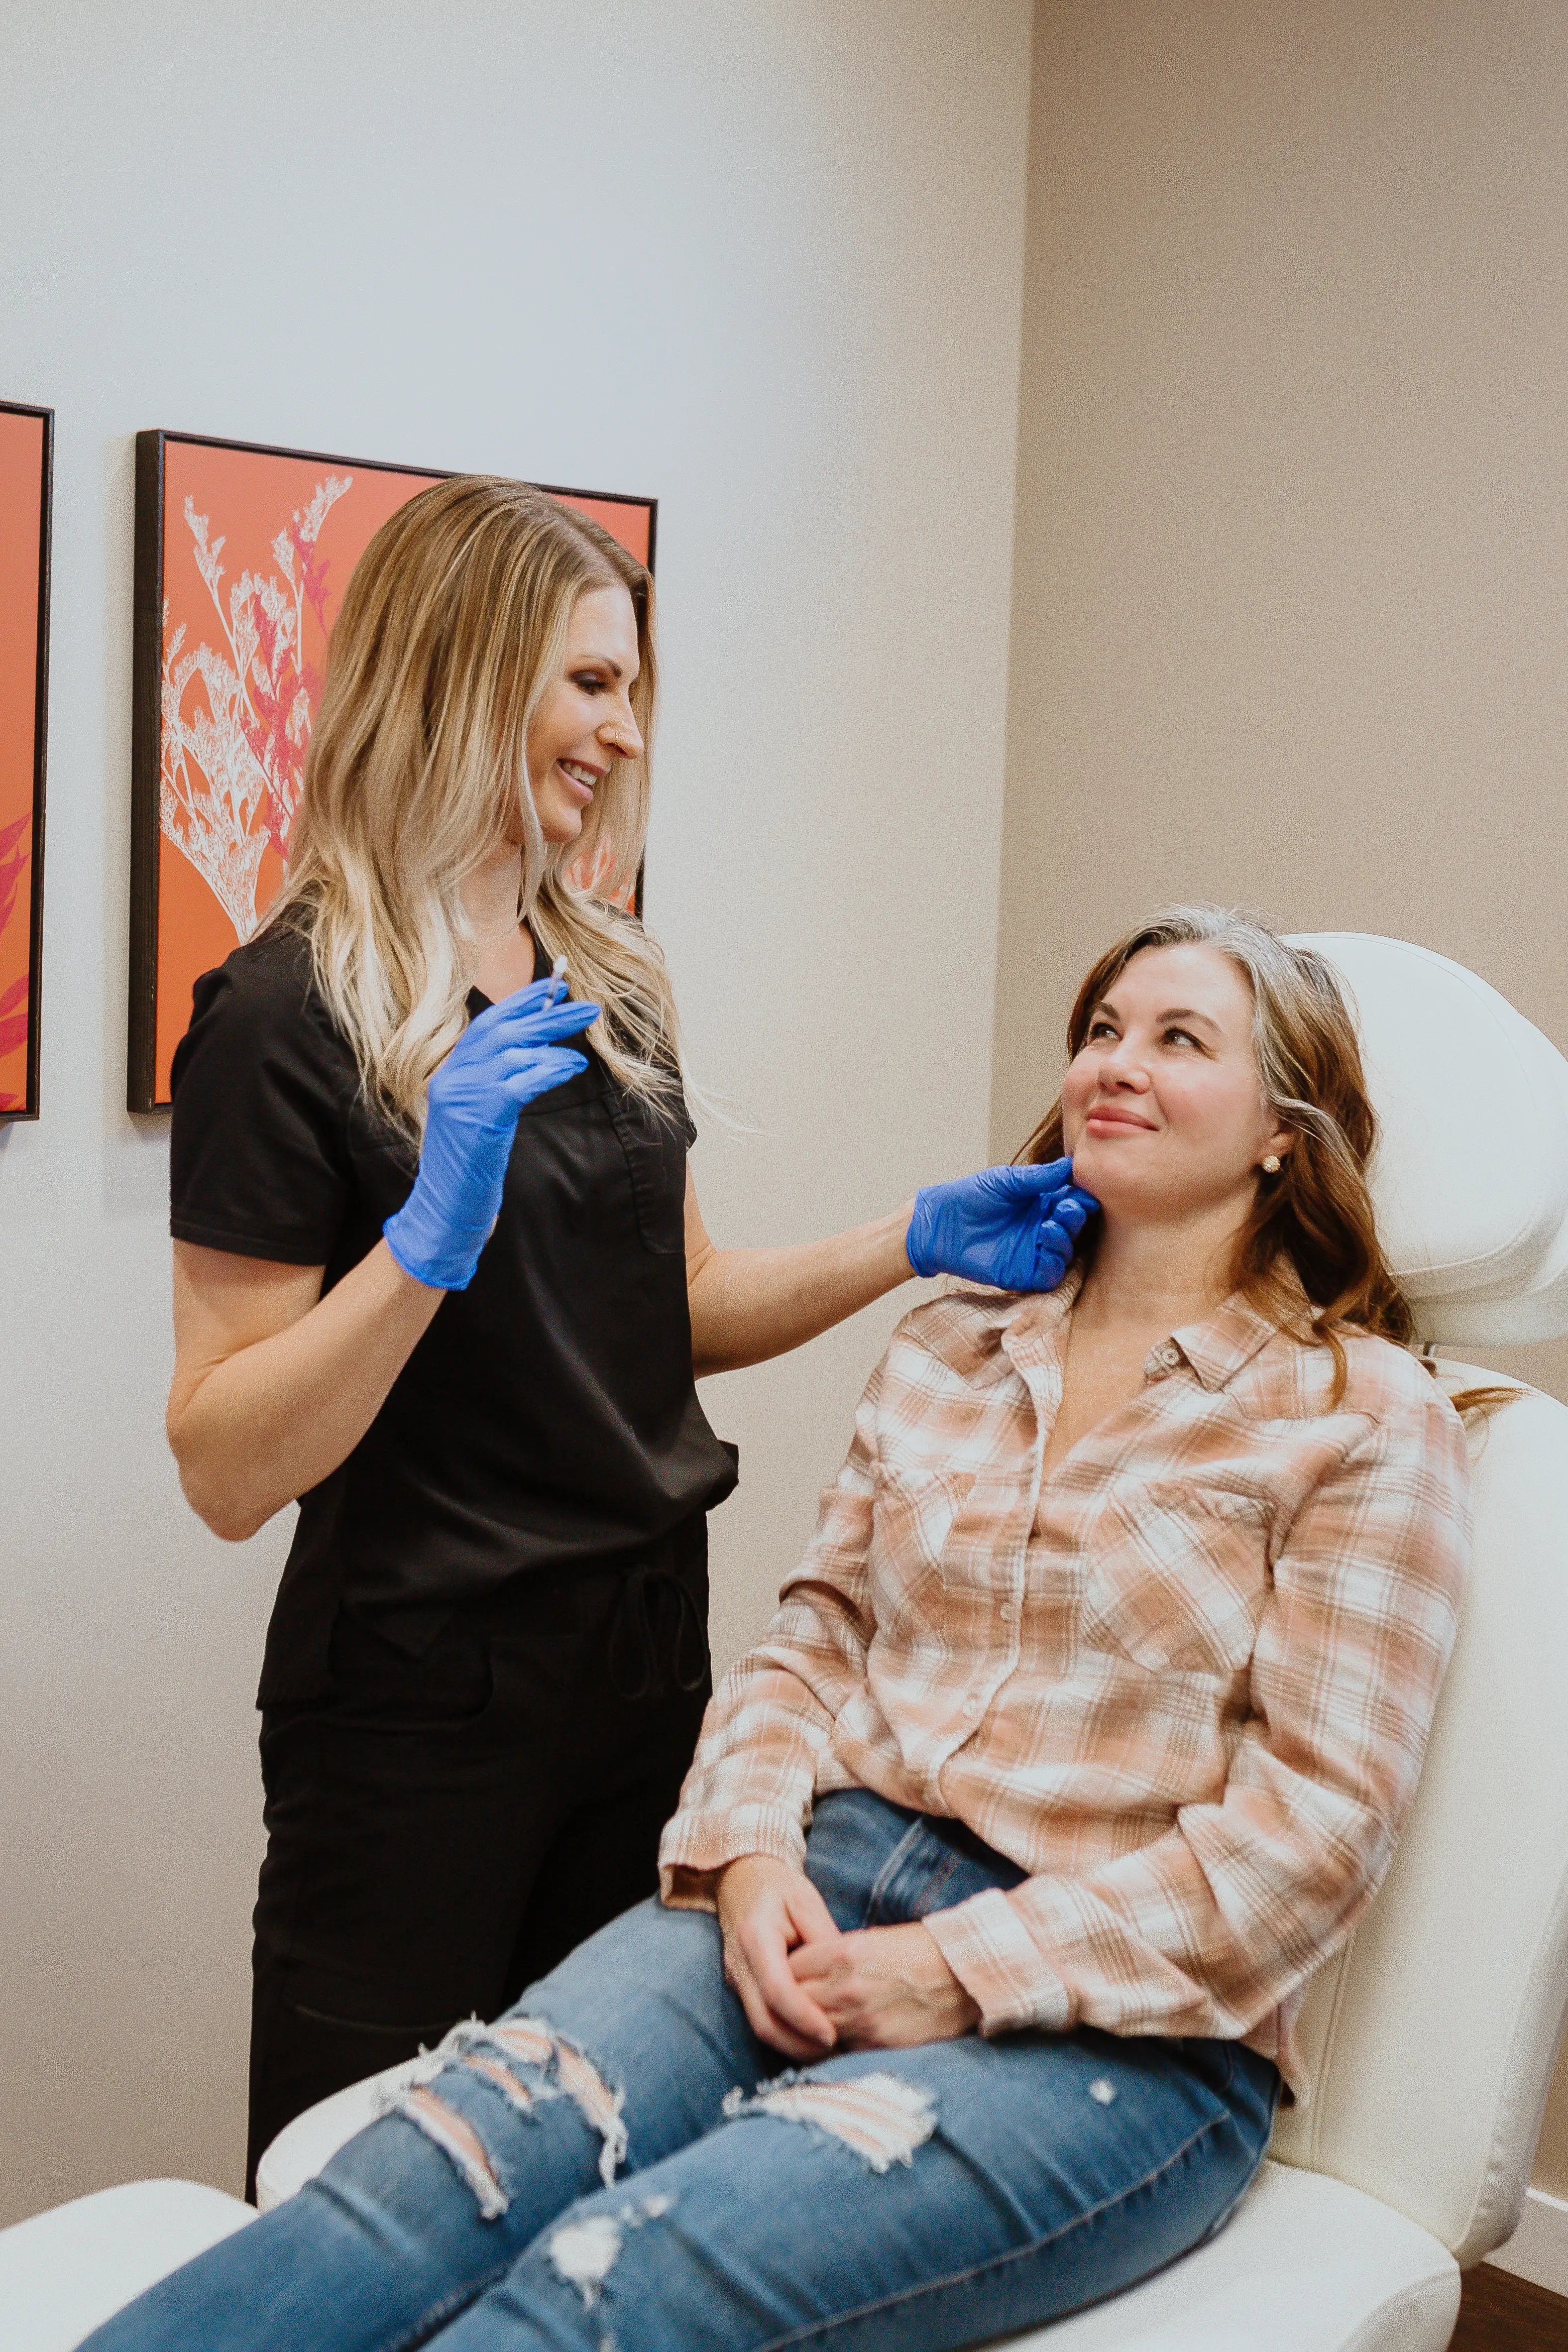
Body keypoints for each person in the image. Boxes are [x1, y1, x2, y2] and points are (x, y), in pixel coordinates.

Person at [91, 905, 1476, 2352]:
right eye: (1102, 1031)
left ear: (1283, 1131)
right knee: (423, 2179)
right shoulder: (959, 1340)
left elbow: (1312, 1837)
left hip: (1124, 2012)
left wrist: (960, 1967)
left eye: (1180, 1039)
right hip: (821, 1881)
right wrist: (749, 1856)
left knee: (622, 2288)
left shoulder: (1360, 1418)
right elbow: (812, 1640)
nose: (1115, 1064)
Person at [164, 474, 1093, 2188]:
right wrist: (424, 1241)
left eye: (631, 687)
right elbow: (223, 1459)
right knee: (369, 2179)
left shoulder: (611, 972)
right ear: (461, 666)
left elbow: (669, 1312)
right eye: (589, 680)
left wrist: (908, 1238)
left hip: (647, 1663)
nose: (622, 727)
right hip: (422, 1705)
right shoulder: (281, 1017)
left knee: (597, 2158)